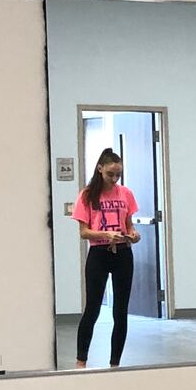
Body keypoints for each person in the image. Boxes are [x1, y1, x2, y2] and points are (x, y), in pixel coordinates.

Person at [72, 148, 140, 369]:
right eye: (110, 173)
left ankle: (115, 363)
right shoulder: (87, 195)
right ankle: (81, 360)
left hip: (122, 253)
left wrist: (134, 234)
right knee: (92, 307)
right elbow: (84, 232)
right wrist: (105, 234)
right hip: (99, 254)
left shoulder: (126, 194)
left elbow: (129, 223)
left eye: (118, 175)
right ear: (100, 169)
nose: (114, 179)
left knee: (120, 310)